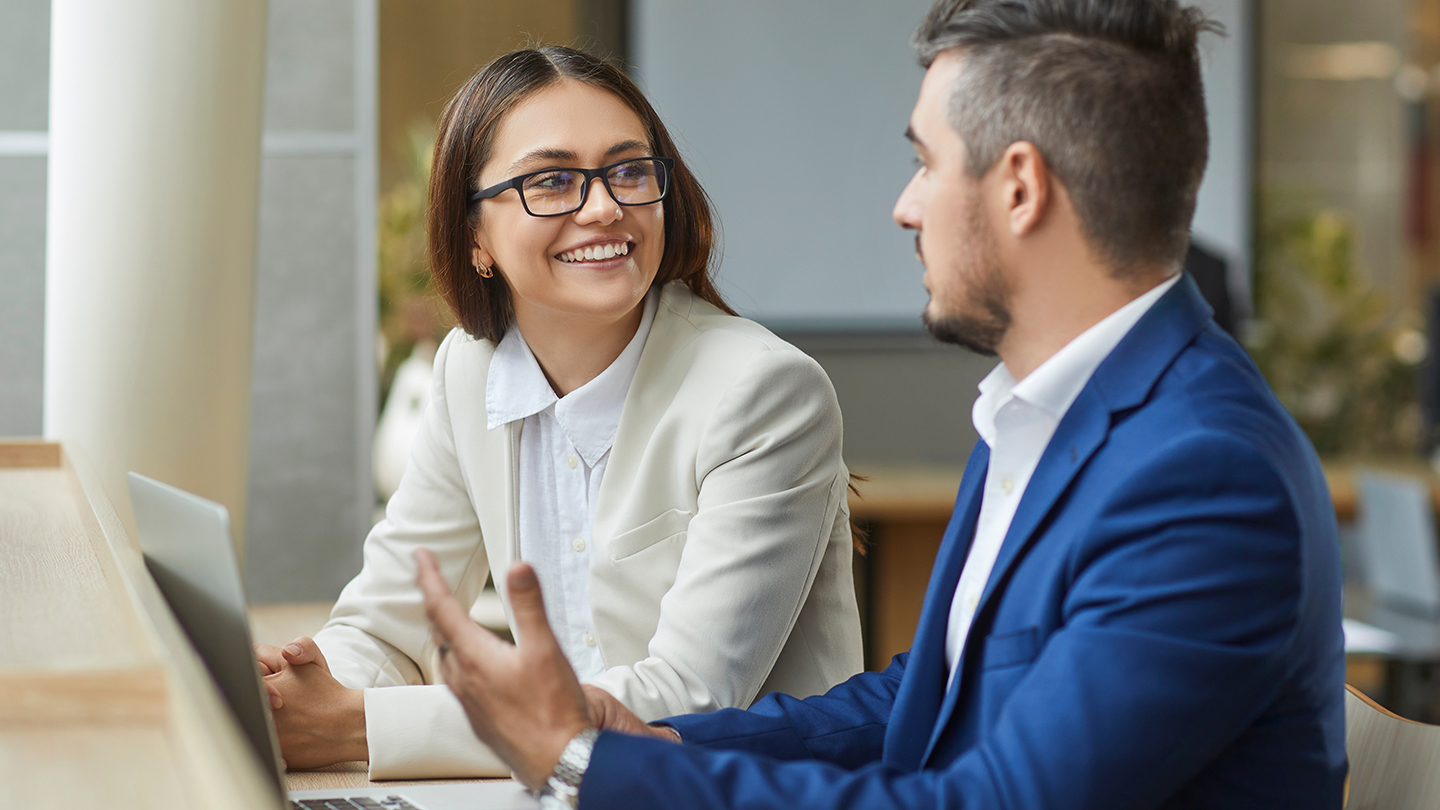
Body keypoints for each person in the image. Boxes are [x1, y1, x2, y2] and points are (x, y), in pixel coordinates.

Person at [413, 1, 1348, 808]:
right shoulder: (1049, 414)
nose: (905, 207)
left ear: (1019, 188)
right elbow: (925, 702)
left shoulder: (1202, 473)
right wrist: (660, 745)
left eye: (926, 163)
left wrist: (585, 768)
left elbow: (998, 804)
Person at [254, 45, 865, 779]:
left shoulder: (764, 392)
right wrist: (302, 689)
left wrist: (358, 725)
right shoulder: (466, 371)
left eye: (629, 170)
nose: (605, 207)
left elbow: (685, 698)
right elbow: (388, 627)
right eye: (552, 181)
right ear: (475, 235)